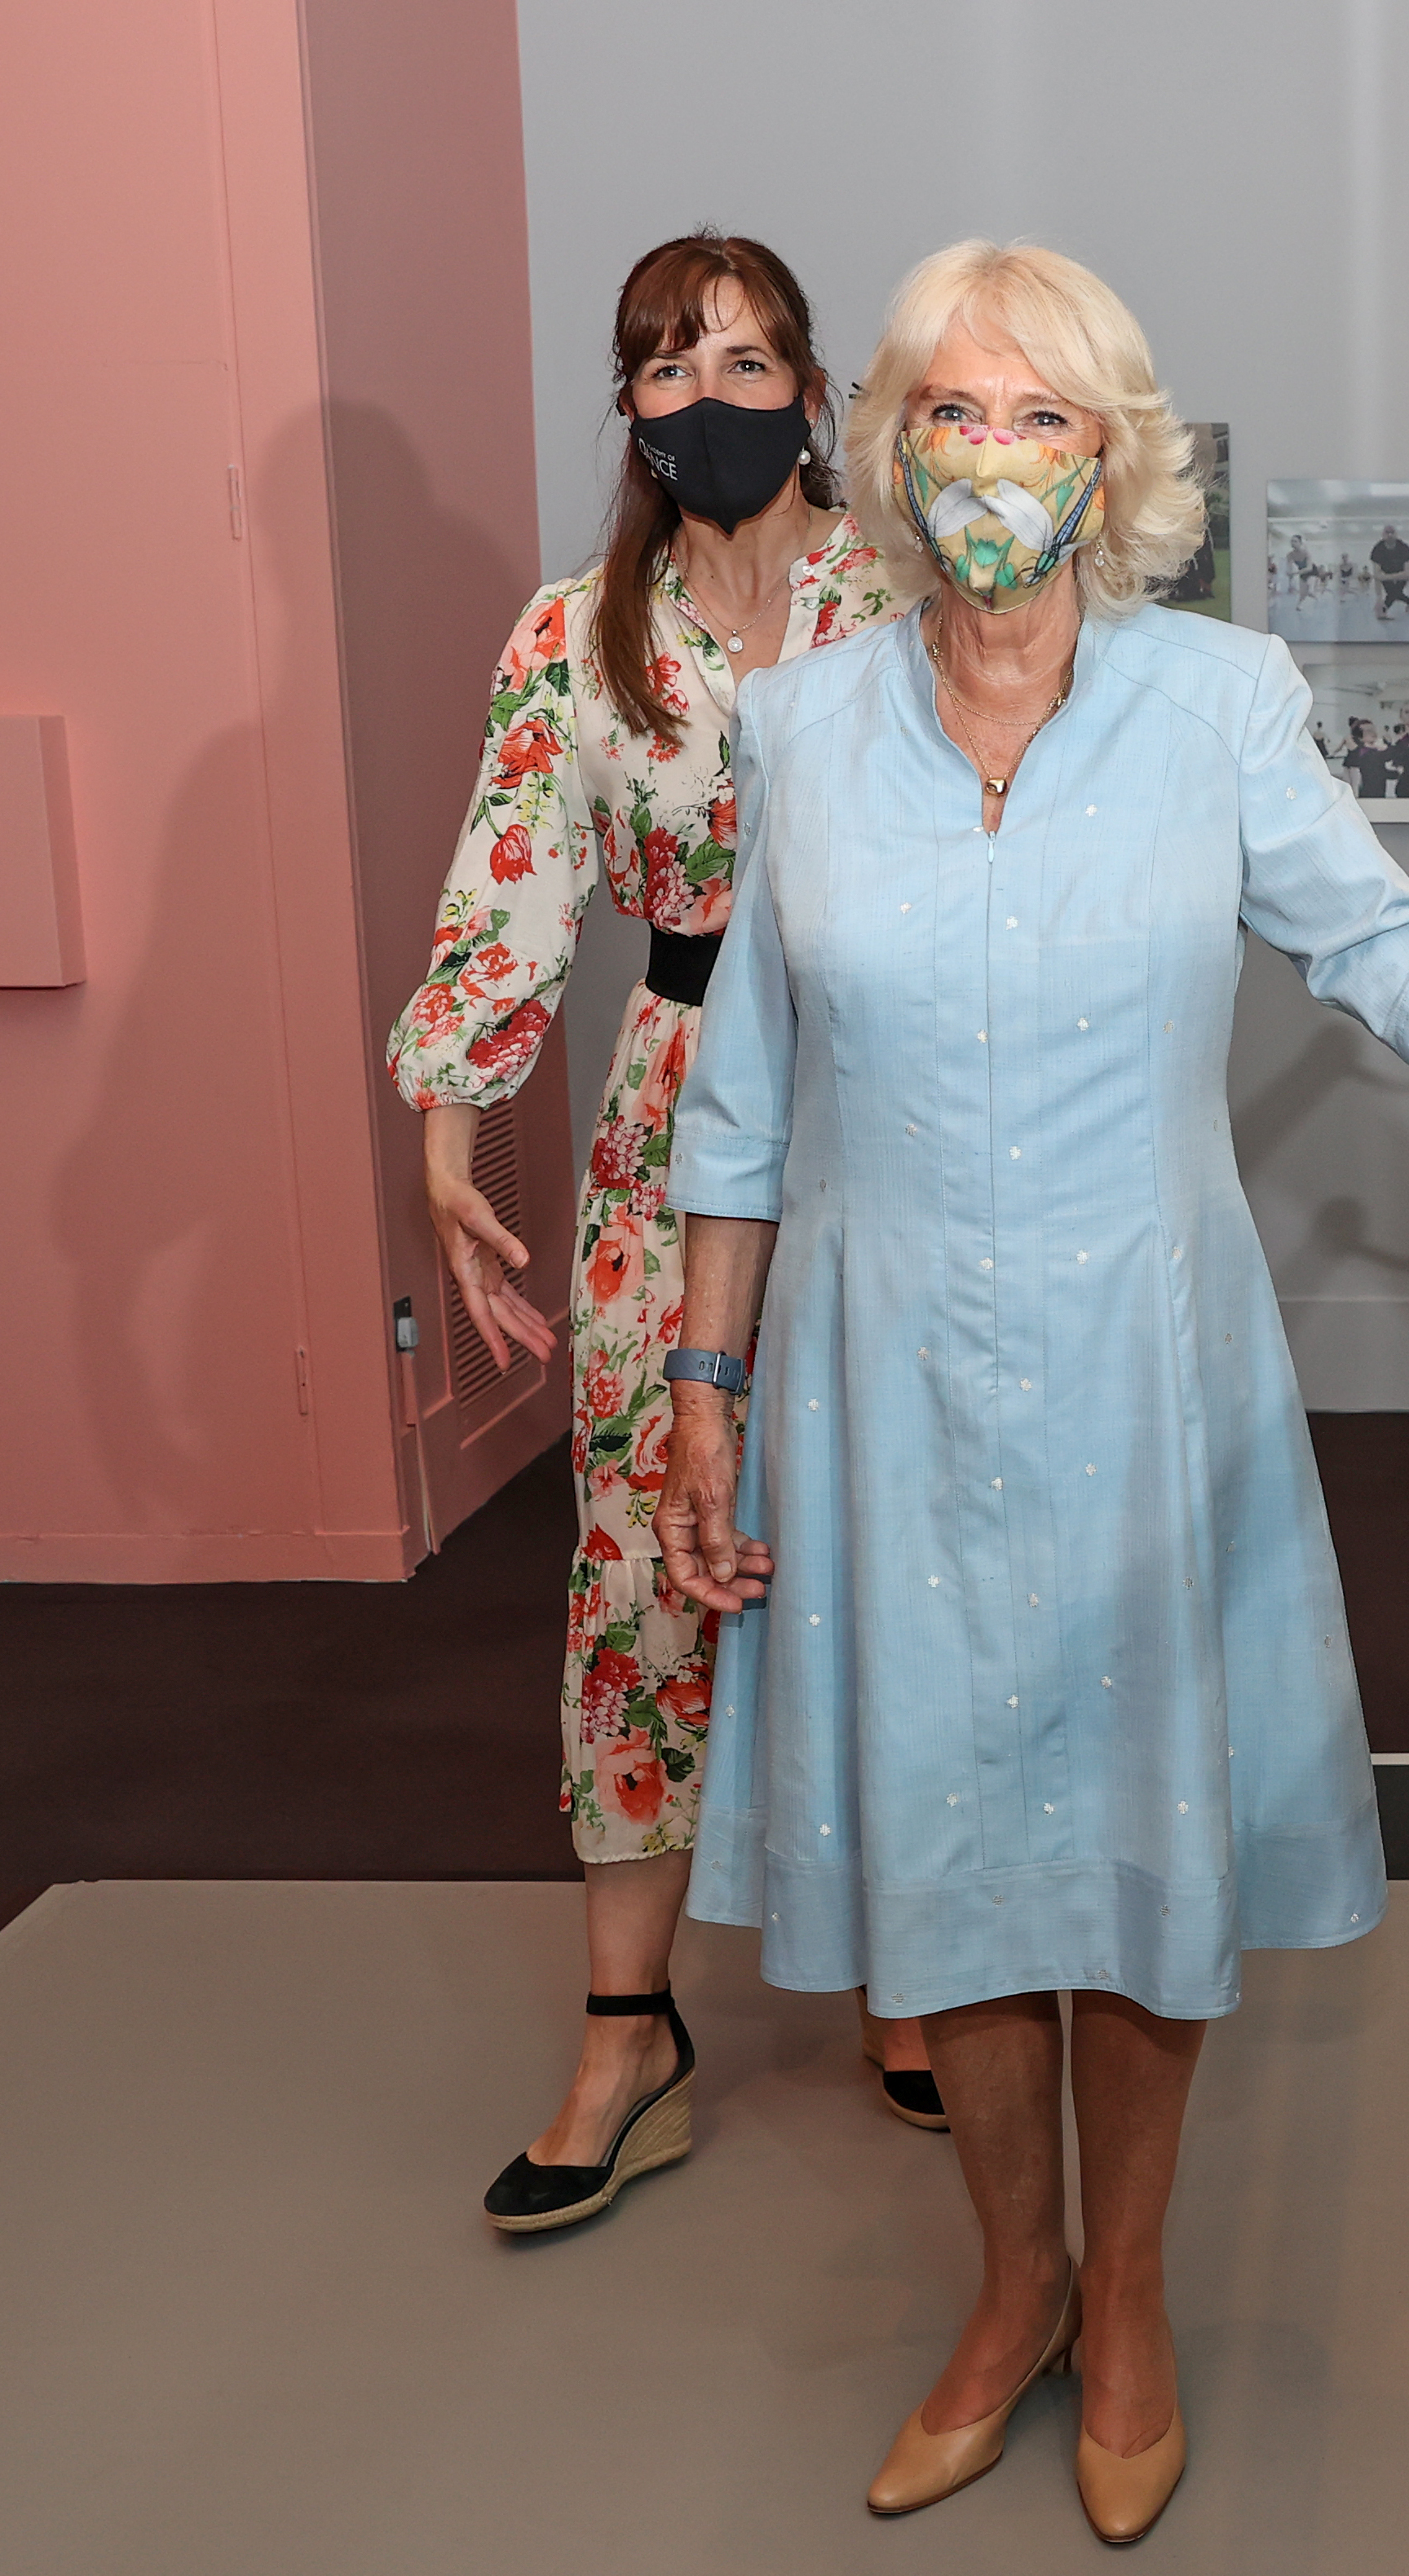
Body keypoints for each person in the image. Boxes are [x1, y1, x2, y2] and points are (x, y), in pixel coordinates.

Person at [650, 239, 1409, 2541]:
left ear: (1115, 459)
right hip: (874, 1373)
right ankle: (1010, 2288)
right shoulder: (799, 724)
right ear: (884, 447)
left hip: (1141, 1358)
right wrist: (699, 1380)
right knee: (955, 1864)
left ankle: (1140, 2296)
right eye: (953, 416)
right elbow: (742, 1093)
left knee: (1134, 1843)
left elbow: (1387, 949)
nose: (992, 463)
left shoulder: (1220, 701)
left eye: (1042, 419)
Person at [386, 231, 925, 2238]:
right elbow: (506, 894)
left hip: (894, 1103)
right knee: (644, 1553)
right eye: (671, 363)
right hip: (678, 1102)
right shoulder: (576, 634)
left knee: (880, 1530)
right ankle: (631, 2033)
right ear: (627, 404)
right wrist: (454, 1137)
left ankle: (907, 1972)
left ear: (816, 385)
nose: (712, 395)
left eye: (750, 356)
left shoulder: (913, 601)